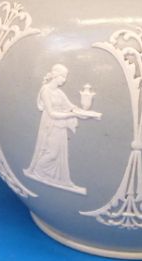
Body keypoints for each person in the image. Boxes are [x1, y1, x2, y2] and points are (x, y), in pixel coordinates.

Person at [24, 64, 101, 195]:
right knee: (52, 153)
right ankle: (38, 170)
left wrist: (88, 113)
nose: (64, 80)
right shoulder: (46, 90)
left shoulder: (59, 93)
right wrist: (72, 114)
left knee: (59, 153)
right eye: (63, 77)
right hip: (50, 126)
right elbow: (52, 113)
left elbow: (72, 107)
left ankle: (60, 179)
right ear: (56, 75)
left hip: (60, 126)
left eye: (65, 77)